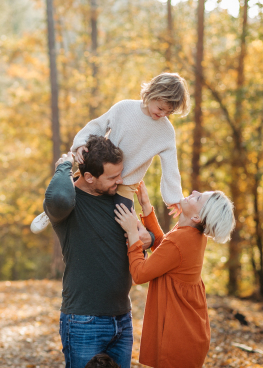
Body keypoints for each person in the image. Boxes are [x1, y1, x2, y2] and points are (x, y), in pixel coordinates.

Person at [31, 72, 190, 234]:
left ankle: (136, 255)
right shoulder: (124, 108)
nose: (162, 114)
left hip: (127, 182)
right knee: (72, 193)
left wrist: (175, 198)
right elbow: (96, 126)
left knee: (126, 224)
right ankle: (50, 213)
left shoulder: (166, 132)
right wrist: (80, 145)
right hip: (101, 169)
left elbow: (171, 167)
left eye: (168, 112)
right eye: (160, 108)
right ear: (151, 94)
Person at [114, 180, 235, 368]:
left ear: (196, 217)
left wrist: (132, 234)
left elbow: (139, 274)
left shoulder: (181, 239)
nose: (194, 191)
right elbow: (165, 251)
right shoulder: (192, 235)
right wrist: (146, 206)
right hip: (189, 331)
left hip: (178, 337)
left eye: (198, 197)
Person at [44, 135, 133, 368]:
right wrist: (65, 165)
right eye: (113, 177)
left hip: (123, 318)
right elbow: (57, 197)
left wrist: (148, 237)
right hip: (84, 320)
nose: (120, 180)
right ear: (89, 178)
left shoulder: (115, 198)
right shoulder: (69, 204)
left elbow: (142, 237)